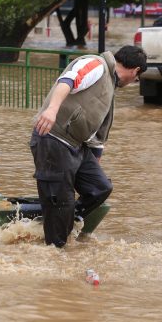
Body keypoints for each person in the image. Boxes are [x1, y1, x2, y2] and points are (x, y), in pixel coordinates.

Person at [30, 45, 147, 247]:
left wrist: (94, 163)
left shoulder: (110, 88)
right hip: (53, 139)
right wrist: (51, 110)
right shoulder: (97, 65)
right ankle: (56, 248)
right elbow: (67, 81)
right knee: (62, 202)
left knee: (100, 187)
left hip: (77, 146)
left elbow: (98, 133)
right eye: (136, 79)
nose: (132, 82)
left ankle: (66, 222)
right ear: (135, 70)